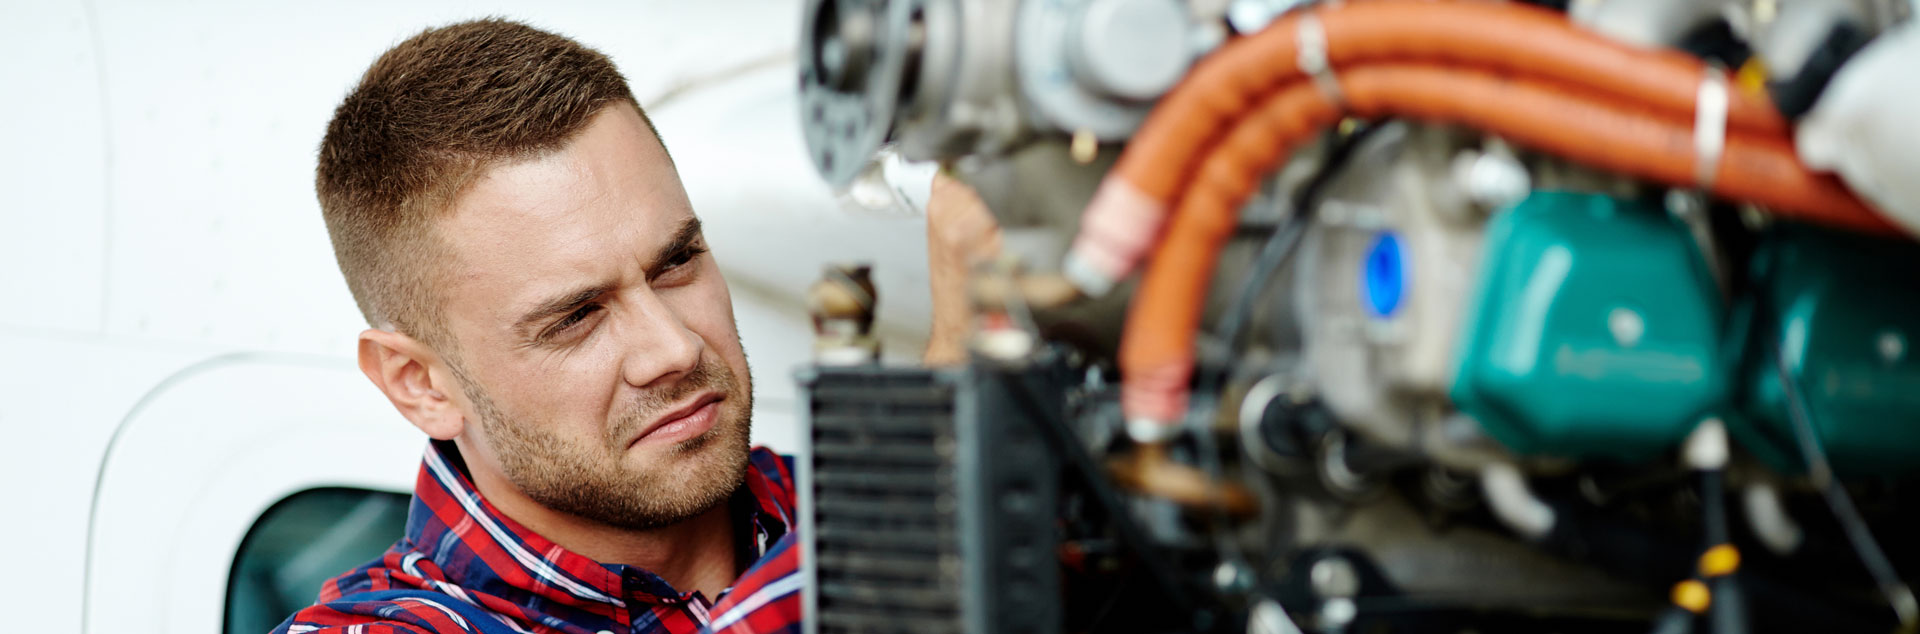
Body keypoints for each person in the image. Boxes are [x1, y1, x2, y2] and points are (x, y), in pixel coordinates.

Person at [273, 18, 996, 634]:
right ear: (420, 383)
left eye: (677, 261)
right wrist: (946, 438)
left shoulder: (850, 508)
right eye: (577, 317)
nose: (674, 348)